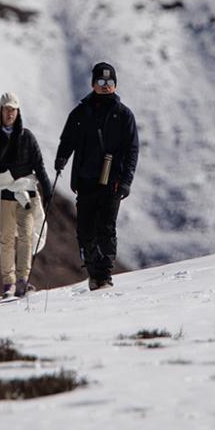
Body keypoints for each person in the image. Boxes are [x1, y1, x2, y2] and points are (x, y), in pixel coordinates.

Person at [54, 62, 139, 290]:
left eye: (110, 82)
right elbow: (68, 139)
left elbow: (132, 150)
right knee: (85, 230)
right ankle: (93, 271)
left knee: (106, 228)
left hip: (113, 182)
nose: (105, 86)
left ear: (115, 85)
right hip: (86, 180)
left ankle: (104, 276)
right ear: (93, 84)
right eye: (101, 81)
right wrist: (61, 158)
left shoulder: (124, 115)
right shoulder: (81, 112)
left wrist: (126, 181)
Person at [0, 92, 53, 298]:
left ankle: (22, 281)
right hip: (5, 194)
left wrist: (47, 189)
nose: (10, 113)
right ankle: (9, 284)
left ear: (18, 112)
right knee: (6, 239)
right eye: (6, 109)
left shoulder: (27, 137)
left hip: (26, 195)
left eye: (13, 110)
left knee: (26, 237)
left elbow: (39, 165)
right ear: (0, 111)